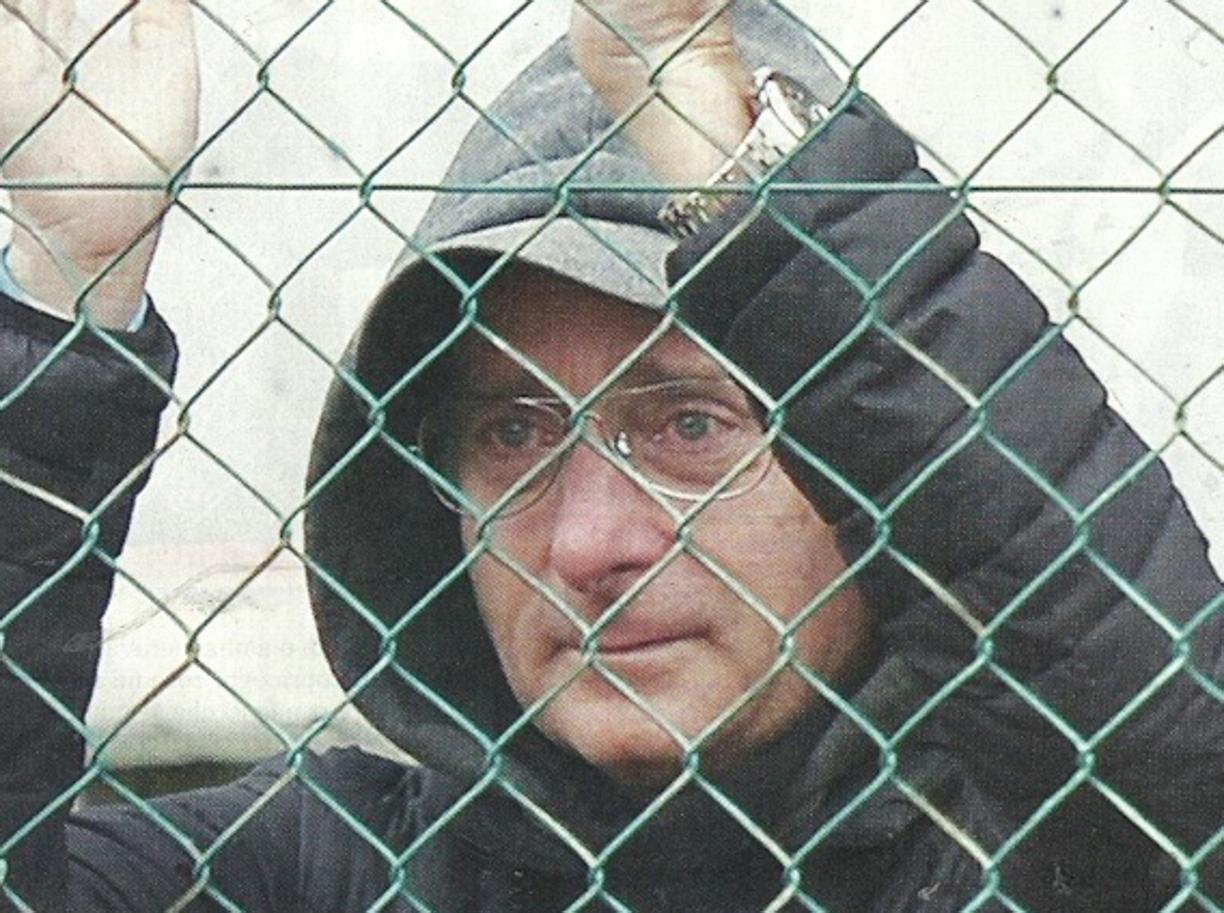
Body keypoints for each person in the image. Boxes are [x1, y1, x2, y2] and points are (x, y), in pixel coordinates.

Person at [1, 0, 1221, 910]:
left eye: (690, 426)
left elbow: (1163, 756)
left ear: (876, 460)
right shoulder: (325, 873)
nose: (588, 543)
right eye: (513, 433)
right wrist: (61, 302)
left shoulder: (1030, 857)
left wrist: (752, 171)